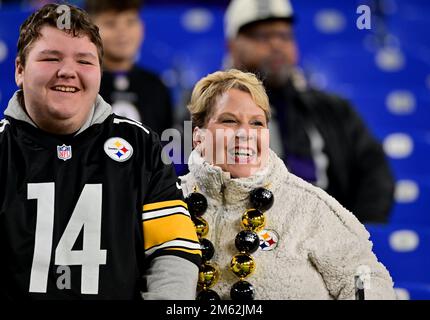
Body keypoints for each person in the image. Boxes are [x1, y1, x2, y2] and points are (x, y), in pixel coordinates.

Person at [0, 3, 200, 300]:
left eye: (84, 61)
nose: (68, 71)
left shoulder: (144, 148)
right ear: (20, 69)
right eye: (51, 58)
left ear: (99, 72)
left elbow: (173, 251)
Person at [180, 69, 396, 300]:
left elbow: (367, 278)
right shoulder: (168, 199)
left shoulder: (310, 207)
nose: (245, 134)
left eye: (257, 123)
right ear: (198, 136)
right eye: (229, 121)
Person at [223, 0, 394, 223]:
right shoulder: (208, 111)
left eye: (285, 36)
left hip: (325, 237)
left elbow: (375, 174)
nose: (276, 45)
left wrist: (354, 235)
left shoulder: (332, 109)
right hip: (242, 237)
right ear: (232, 45)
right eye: (262, 36)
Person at [85, 0, 173, 136]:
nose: (122, 32)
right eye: (110, 23)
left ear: (142, 27)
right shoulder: (82, 82)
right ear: (90, 30)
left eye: (130, 22)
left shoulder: (156, 86)